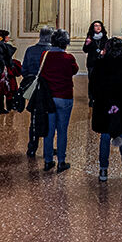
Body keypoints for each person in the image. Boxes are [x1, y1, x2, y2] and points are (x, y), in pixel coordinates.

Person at [90, 38, 122, 181]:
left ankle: (103, 170)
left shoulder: (99, 65)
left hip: (104, 107)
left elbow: (93, 88)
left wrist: (108, 104)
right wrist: (118, 104)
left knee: (105, 137)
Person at [38, 28, 79, 172]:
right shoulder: (69, 58)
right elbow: (74, 70)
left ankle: (48, 160)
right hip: (65, 96)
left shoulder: (45, 55)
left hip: (49, 97)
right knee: (62, 131)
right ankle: (61, 161)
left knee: (49, 131)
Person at [21, 26, 53, 158]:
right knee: (49, 118)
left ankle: (32, 147)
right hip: (49, 88)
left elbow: (24, 70)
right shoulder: (52, 52)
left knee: (34, 118)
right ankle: (48, 148)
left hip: (34, 87)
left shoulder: (30, 50)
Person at [83, 20, 109, 104]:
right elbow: (85, 50)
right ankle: (91, 98)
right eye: (96, 26)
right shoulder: (90, 37)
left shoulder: (105, 38)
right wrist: (87, 44)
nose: (98, 27)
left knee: (101, 81)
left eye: (99, 25)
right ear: (93, 28)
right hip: (92, 62)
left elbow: (107, 49)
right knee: (92, 81)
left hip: (102, 62)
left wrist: (104, 51)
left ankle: (100, 98)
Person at [0, 29, 17, 114]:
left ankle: (2, 107)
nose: (8, 37)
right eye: (7, 36)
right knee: (7, 87)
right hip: (4, 69)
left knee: (2, 88)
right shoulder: (3, 46)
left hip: (1, 69)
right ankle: (7, 106)